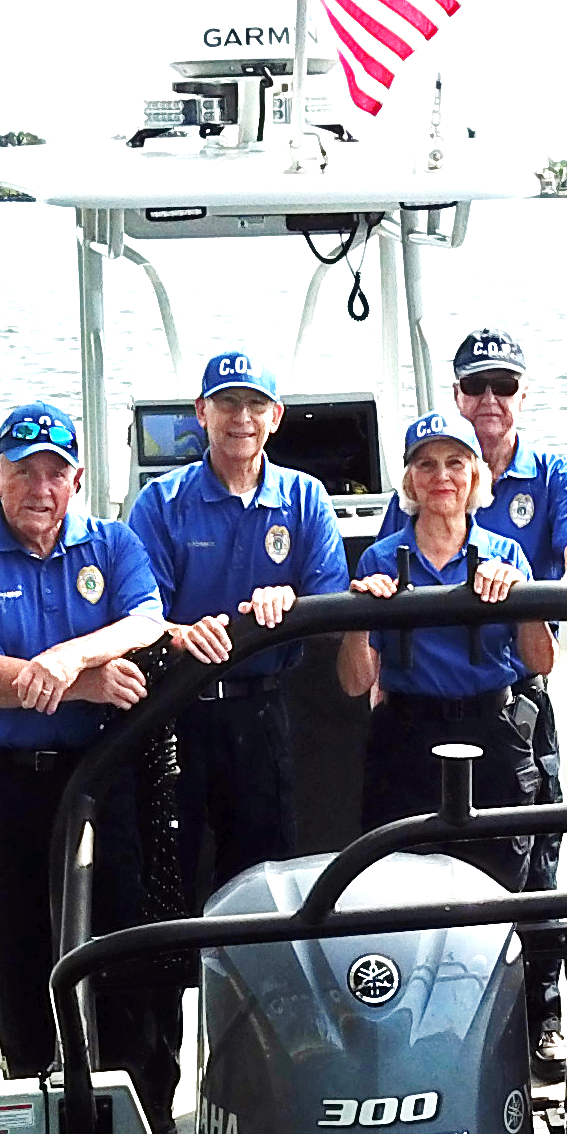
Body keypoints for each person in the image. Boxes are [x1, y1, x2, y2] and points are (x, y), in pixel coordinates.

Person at [0, 400, 176, 1120]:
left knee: (124, 944)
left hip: (99, 778)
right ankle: (36, 1108)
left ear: (78, 480)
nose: (40, 487)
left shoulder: (114, 544)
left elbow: (145, 619)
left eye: (55, 472)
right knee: (17, 950)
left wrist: (65, 661)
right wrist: (89, 683)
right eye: (24, 471)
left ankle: (147, 1117)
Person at [378, 328, 567, 1074]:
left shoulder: (550, 476)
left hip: (515, 690)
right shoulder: (409, 506)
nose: (488, 400)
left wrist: (556, 585)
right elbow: (389, 574)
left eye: (502, 387)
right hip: (425, 708)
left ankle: (539, 1015)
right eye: (475, 387)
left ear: (521, 396)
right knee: (413, 854)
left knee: (532, 855)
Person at [127, 351, 347, 897]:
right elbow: (136, 618)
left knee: (264, 874)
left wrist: (291, 603)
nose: (241, 418)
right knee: (167, 871)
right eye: (227, 403)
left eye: (255, 404)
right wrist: (182, 634)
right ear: (201, 412)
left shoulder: (305, 498)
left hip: (263, 709)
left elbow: (334, 613)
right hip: (175, 711)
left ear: (276, 417)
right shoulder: (160, 504)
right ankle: (168, 978)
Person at [339, 411, 557, 893]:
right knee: (400, 885)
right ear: (410, 483)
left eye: (455, 463)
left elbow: (542, 663)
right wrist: (359, 618)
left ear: (475, 476)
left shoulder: (507, 555)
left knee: (499, 882)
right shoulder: (378, 560)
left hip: (492, 733)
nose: (442, 477)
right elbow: (355, 683)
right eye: (426, 465)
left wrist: (524, 598)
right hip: (406, 738)